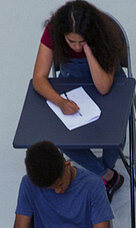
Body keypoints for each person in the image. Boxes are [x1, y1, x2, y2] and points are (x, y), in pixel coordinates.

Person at [32, 1, 126, 199]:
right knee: (60, 138)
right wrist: (60, 102)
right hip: (72, 86)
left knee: (114, 138)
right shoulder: (52, 32)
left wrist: (89, 50)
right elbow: (39, 79)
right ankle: (107, 176)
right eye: (71, 41)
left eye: (80, 41)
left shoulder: (103, 35)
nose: (75, 46)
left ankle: (104, 172)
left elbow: (103, 87)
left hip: (108, 83)